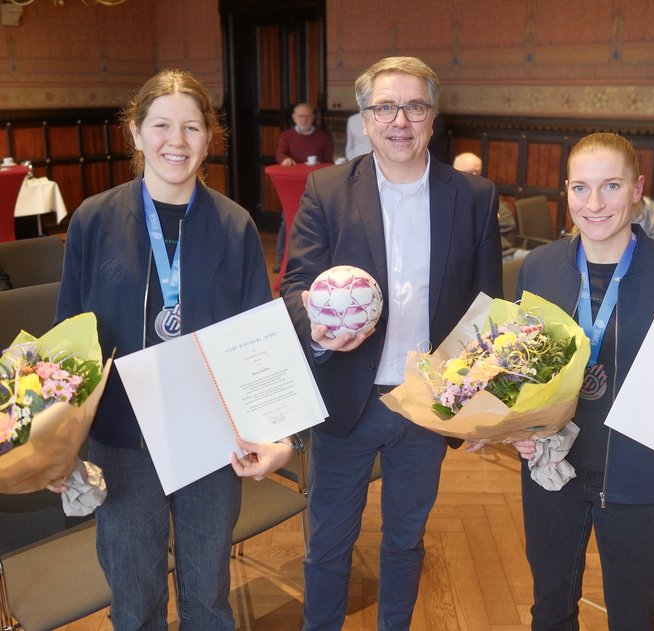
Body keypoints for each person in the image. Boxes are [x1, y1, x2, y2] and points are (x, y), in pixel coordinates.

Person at [56, 69, 292, 630]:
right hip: (121, 440)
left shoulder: (234, 226)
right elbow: (68, 339)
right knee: (135, 603)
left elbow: (260, 340)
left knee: (208, 598)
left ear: (209, 138)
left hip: (211, 438)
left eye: (191, 127)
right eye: (161, 125)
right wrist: (59, 441)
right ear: (135, 134)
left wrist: (278, 436)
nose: (176, 141)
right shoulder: (93, 220)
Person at [281, 56, 502, 630]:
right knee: (327, 543)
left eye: (415, 106)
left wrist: (482, 407)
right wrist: (319, 334)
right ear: (365, 116)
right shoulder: (327, 188)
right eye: (385, 106)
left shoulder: (473, 196)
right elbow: (295, 286)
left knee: (406, 541)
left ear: (432, 117)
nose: (399, 119)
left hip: (426, 403)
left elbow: (487, 310)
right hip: (345, 399)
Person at [511, 132, 654, 630]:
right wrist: (507, 424)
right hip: (551, 469)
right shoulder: (536, 268)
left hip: (641, 477)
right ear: (565, 191)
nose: (595, 203)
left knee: (634, 616)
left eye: (611, 186)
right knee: (549, 610)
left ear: (637, 188)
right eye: (580, 188)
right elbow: (518, 368)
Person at [274, 103, 333, 272]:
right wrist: (285, 159)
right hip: (292, 187)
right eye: (301, 116)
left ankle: (316, 259)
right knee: (287, 219)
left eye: (307, 116)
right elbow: (280, 154)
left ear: (313, 118)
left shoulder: (322, 136)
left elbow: (329, 160)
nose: (304, 119)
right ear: (294, 118)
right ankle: (281, 258)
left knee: (317, 220)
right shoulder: (286, 136)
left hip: (315, 185)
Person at [452, 151, 530, 261]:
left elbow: (509, 223)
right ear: (455, 171)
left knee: (543, 259)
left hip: (507, 252)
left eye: (478, 173)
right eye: (470, 172)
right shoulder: (451, 198)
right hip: (485, 259)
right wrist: (491, 218)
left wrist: (481, 222)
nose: (475, 177)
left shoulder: (486, 193)